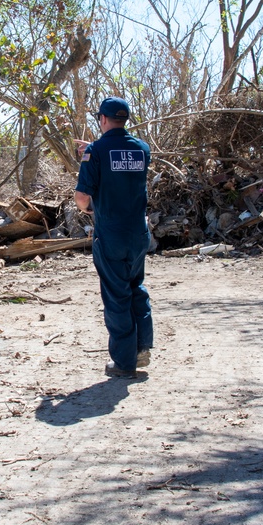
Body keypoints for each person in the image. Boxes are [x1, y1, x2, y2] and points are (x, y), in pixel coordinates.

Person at [74, 97, 153, 378]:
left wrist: (90, 208)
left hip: (111, 235)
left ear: (103, 119)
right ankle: (141, 348)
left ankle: (123, 362)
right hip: (138, 233)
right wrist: (93, 152)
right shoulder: (143, 149)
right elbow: (121, 162)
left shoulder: (95, 151)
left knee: (116, 296)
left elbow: (82, 198)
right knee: (136, 289)